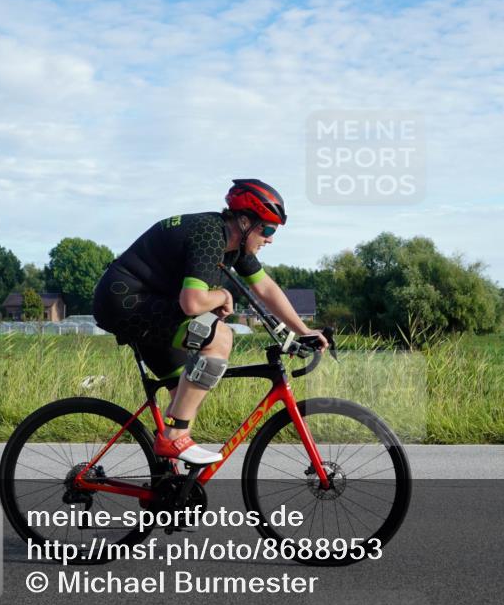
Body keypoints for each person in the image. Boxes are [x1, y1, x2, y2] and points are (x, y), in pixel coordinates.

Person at [92, 179, 328, 465]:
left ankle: (168, 486)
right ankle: (172, 438)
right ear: (244, 221)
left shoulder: (235, 246)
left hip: (152, 303)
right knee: (220, 337)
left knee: (186, 394)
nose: (270, 239)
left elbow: (265, 288)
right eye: (267, 229)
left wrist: (302, 330)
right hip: (124, 301)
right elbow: (192, 303)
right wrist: (223, 294)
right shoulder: (210, 235)